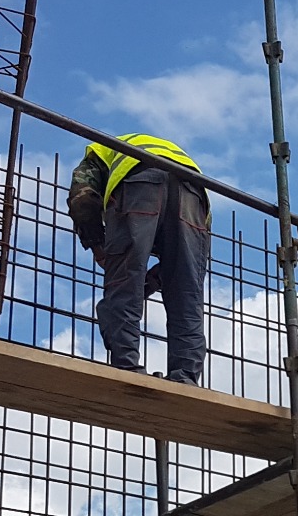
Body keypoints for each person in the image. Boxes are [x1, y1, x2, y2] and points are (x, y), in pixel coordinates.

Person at [67, 133, 210, 381]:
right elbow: (185, 269)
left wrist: (98, 245)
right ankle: (185, 376)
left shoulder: (101, 150)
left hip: (138, 180)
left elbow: (84, 197)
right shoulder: (170, 152)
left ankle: (127, 366)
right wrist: (152, 281)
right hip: (194, 194)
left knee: (123, 284)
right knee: (187, 294)